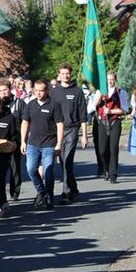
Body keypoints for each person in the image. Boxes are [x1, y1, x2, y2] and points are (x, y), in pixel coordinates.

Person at [21, 79, 64, 209]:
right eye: (36, 91)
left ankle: (49, 196)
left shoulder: (54, 105)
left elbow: (60, 125)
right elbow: (25, 122)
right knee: (30, 169)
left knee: (48, 171)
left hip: (49, 143)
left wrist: (59, 144)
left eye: (41, 91)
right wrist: (23, 141)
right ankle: (42, 191)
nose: (39, 93)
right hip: (33, 143)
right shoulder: (31, 105)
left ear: (47, 91)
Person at [49, 63, 87, 205]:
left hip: (72, 129)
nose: (65, 76)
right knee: (63, 162)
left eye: (68, 73)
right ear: (58, 74)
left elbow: (83, 114)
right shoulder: (53, 92)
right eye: (63, 73)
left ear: (71, 74)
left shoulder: (77, 91)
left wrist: (84, 135)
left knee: (67, 160)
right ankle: (74, 188)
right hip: (57, 131)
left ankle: (66, 192)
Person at [92, 72, 130, 184]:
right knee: (102, 150)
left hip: (115, 121)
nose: (110, 81)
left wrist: (112, 111)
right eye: (108, 79)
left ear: (115, 80)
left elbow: (124, 109)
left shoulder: (121, 92)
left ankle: (113, 174)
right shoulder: (100, 91)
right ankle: (106, 168)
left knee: (113, 148)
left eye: (112, 79)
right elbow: (94, 105)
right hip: (102, 122)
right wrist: (99, 94)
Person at [0, 78, 24, 201]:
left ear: (10, 89)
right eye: (1, 90)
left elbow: (26, 121)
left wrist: (24, 139)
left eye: (5, 90)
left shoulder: (19, 103)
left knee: (15, 168)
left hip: (14, 140)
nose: (3, 93)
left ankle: (15, 191)